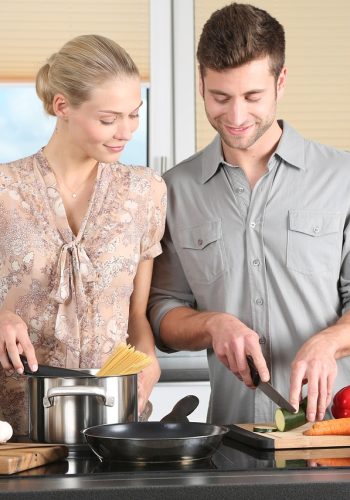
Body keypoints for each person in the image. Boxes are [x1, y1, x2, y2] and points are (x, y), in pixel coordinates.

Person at [148, 2, 350, 426]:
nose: (236, 117)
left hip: (337, 436)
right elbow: (164, 311)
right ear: (201, 83)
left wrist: (331, 341)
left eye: (252, 96)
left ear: (281, 81)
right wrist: (213, 324)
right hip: (232, 441)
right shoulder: (176, 189)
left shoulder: (342, 178)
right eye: (221, 97)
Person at [0, 34, 167, 436]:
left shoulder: (146, 192)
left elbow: (135, 316)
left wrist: (148, 359)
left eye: (134, 114)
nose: (125, 131)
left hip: (115, 423)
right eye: (109, 119)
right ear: (63, 106)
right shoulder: (4, 191)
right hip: (13, 429)